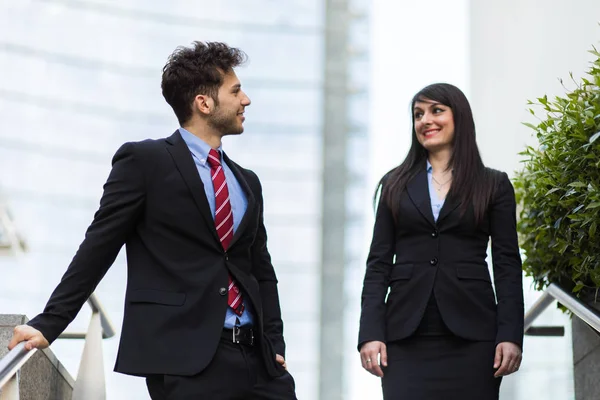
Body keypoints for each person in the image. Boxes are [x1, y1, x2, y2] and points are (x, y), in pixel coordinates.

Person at [8, 41, 297, 400]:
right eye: (236, 91)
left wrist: (274, 343)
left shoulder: (247, 182)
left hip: (259, 364)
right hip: (185, 359)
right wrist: (50, 322)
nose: (246, 100)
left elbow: (261, 271)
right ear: (204, 103)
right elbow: (99, 245)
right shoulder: (145, 162)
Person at [357, 83, 524, 399]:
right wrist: (370, 333)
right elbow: (377, 265)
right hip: (404, 337)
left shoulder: (494, 185)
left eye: (436, 110)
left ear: (458, 116)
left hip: (474, 337)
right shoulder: (394, 184)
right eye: (418, 114)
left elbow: (507, 265)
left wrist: (510, 335)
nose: (425, 121)